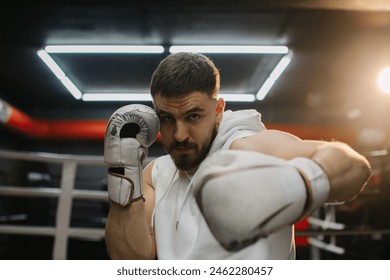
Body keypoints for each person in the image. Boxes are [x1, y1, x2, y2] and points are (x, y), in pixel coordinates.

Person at [103, 52, 371, 260]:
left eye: (193, 116)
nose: (180, 134)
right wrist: (123, 171)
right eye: (167, 118)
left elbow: (353, 167)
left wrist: (297, 184)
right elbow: (130, 257)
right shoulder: (155, 174)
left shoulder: (249, 150)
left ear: (218, 108)